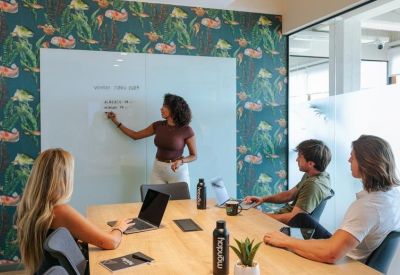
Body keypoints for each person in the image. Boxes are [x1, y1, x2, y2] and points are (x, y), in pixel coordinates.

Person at [263, 135, 400, 264]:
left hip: (344, 260)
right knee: (300, 219)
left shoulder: (368, 206)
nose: (349, 160)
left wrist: (286, 241)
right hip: (344, 246)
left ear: (366, 162)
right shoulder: (392, 195)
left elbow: (331, 254)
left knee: (278, 249)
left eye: (352, 157)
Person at [16, 148, 134, 274]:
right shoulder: (59, 211)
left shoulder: (28, 206)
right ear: (63, 178)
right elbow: (110, 242)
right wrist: (119, 228)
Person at [107, 93, 197, 185]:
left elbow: (194, 155)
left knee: (181, 200)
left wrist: (181, 161)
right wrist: (115, 121)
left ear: (174, 109)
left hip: (177, 171)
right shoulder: (158, 125)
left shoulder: (186, 130)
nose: (161, 108)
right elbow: (135, 135)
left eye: (165, 106)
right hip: (158, 170)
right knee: (156, 199)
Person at [244, 139, 332, 224]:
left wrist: (262, 216)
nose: (297, 159)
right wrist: (263, 199)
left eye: (300, 157)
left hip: (285, 225)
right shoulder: (317, 175)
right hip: (281, 217)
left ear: (311, 164)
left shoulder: (313, 185)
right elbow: (289, 195)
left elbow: (294, 218)